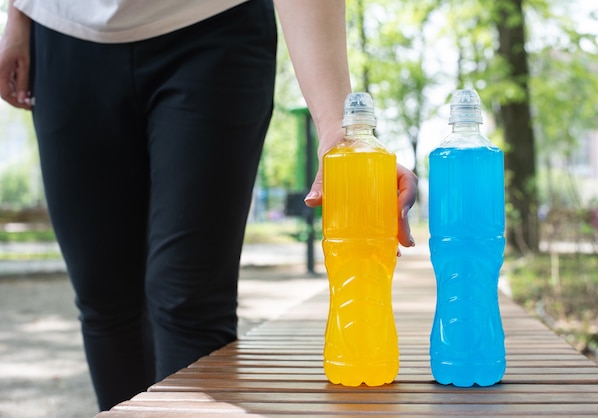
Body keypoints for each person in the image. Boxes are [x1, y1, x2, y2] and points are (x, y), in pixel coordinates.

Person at [0, 0, 418, 411]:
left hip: (213, 30)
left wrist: (339, 128)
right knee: (104, 297)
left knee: (189, 300)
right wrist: (18, 15)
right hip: (64, 32)